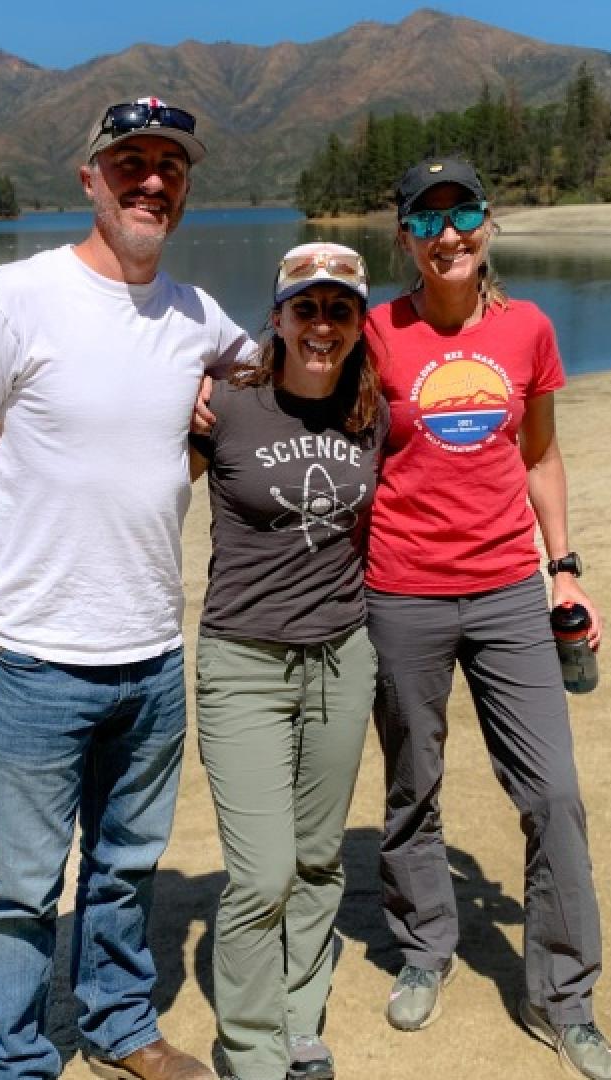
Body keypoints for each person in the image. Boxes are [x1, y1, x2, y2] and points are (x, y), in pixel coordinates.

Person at [0, 97, 248, 1080]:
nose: (152, 180)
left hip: (151, 652)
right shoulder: (17, 297)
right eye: (130, 162)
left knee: (126, 866)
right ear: (90, 180)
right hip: (35, 657)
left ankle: (116, 1026)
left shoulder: (195, 315)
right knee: (22, 886)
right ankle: (16, 1059)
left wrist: (218, 408)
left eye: (171, 166)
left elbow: (267, 371)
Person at [364, 158, 611, 1080]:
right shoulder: (370, 333)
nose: (449, 235)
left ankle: (564, 998)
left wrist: (565, 572)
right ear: (402, 237)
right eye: (427, 219)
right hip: (400, 591)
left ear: (488, 224)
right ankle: (425, 948)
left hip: (512, 590)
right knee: (413, 786)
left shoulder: (529, 331)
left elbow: (540, 457)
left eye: (464, 214)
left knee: (553, 793)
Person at [188, 243, 386, 1080]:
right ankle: (250, 1045)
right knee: (260, 872)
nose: (322, 325)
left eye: (340, 310)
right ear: (276, 317)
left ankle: (301, 1016)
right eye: (306, 307)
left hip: (343, 657)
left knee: (317, 857)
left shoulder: (370, 409)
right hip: (243, 663)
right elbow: (137, 483)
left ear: (357, 324)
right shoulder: (226, 405)